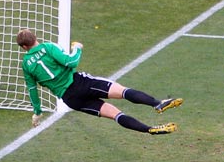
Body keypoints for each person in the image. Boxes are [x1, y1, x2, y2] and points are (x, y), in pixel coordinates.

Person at [16, 29, 183, 134]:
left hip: (70, 99)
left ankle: (150, 129)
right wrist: (77, 48)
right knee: (123, 92)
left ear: (24, 47)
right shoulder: (48, 47)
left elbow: (32, 90)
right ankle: (157, 104)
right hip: (79, 82)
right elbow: (71, 62)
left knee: (116, 114)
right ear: (35, 38)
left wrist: (37, 112)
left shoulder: (26, 65)